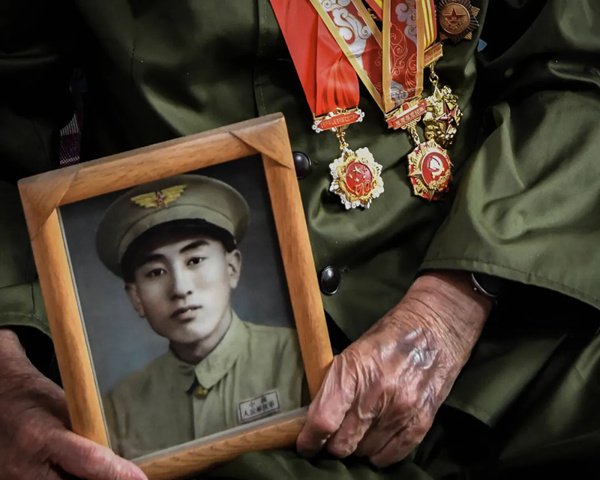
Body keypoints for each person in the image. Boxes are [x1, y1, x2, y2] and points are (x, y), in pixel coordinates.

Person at [0, 1, 599, 479]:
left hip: (500, 284)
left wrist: (448, 310)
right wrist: (7, 381)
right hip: (213, 409)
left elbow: (577, 70)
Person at [94, 174, 304, 460]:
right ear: (136, 298)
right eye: (156, 272)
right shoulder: (118, 410)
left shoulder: (298, 358)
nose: (180, 289)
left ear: (232, 268)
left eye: (194, 260)